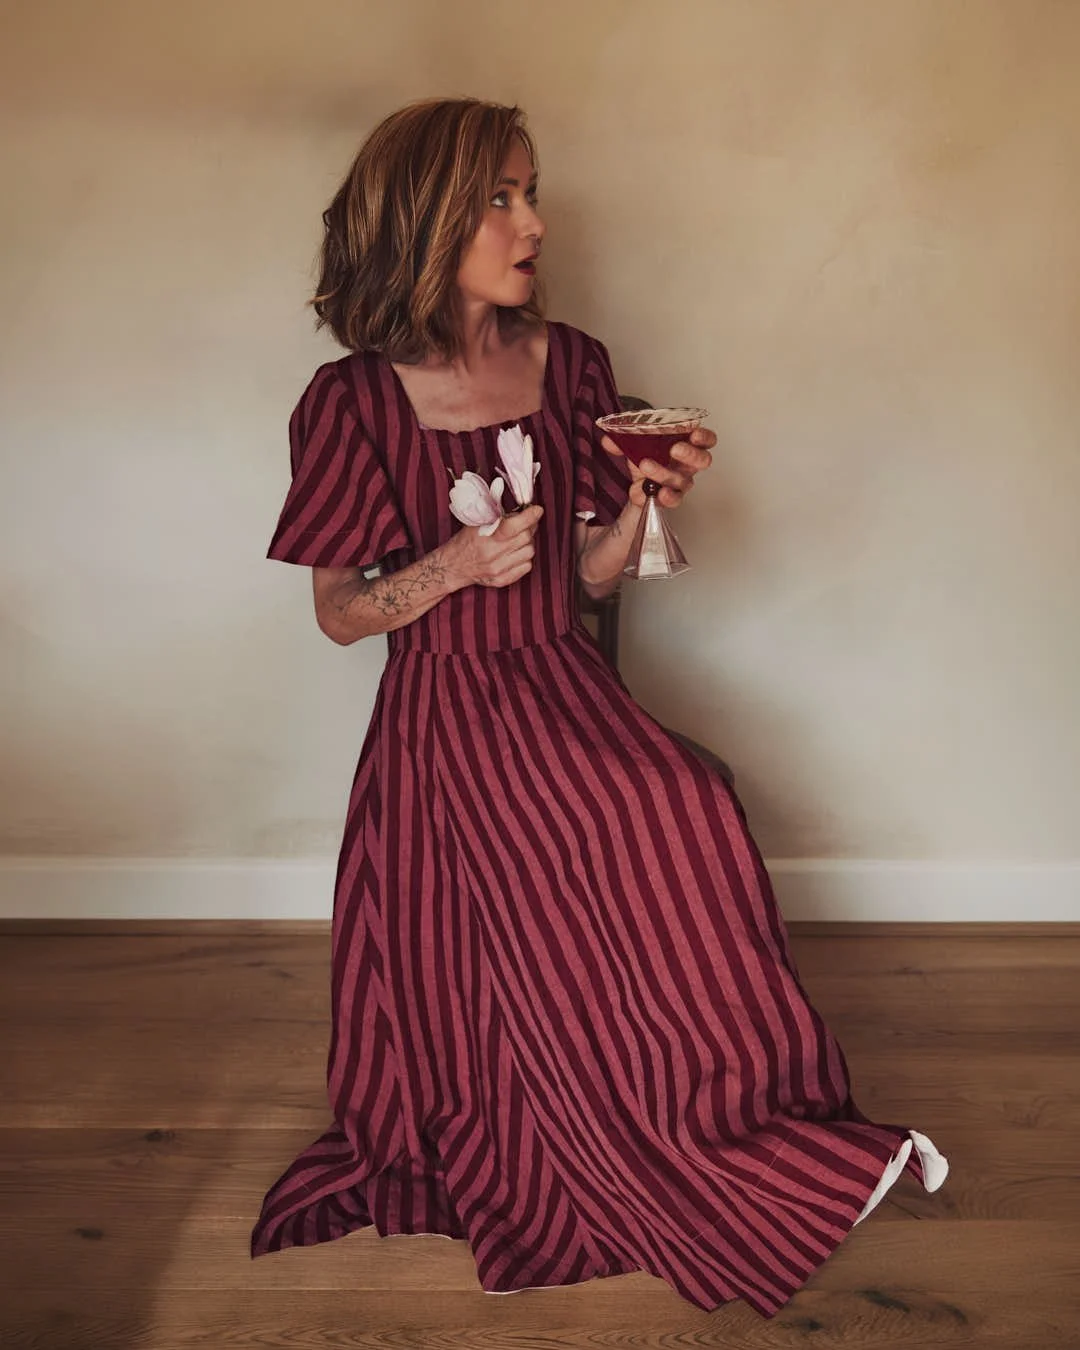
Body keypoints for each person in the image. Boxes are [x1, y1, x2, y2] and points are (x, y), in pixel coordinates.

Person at [251, 97, 947, 1318]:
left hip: (560, 681)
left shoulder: (572, 365)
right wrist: (456, 569)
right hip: (446, 719)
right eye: (503, 198)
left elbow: (584, 579)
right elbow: (341, 613)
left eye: (532, 190)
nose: (536, 221)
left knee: (685, 799)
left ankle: (736, 1114)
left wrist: (642, 507)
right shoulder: (349, 401)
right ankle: (594, 1110)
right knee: (626, 826)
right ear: (426, 222)